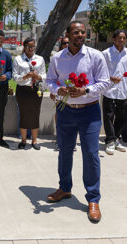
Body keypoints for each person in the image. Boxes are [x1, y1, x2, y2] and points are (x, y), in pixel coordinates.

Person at [46, 21, 111, 223]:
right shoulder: (57, 58)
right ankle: (65, 188)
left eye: (83, 32)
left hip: (89, 112)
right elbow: (49, 81)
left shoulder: (95, 56)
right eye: (76, 32)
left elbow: (106, 82)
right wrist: (58, 90)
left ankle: (93, 199)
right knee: (64, 151)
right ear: (67, 35)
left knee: (91, 154)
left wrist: (86, 90)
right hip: (65, 111)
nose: (80, 35)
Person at [13, 37, 46, 150]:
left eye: (33, 46)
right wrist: (25, 76)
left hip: (36, 89)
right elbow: (15, 77)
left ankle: (34, 140)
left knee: (35, 114)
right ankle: (23, 140)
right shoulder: (18, 59)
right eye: (28, 46)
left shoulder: (40, 59)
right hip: (23, 89)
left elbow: (44, 75)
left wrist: (39, 77)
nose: (31, 48)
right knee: (23, 114)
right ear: (24, 47)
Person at [102, 29, 127, 155]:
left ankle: (116, 139)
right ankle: (110, 141)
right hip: (109, 90)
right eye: (119, 38)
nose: (121, 40)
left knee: (122, 117)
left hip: (123, 91)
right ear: (114, 39)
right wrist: (111, 78)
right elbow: (100, 71)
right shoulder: (106, 53)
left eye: (123, 38)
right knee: (108, 116)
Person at [50, 36, 70, 151]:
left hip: (73, 92)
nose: (66, 45)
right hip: (60, 91)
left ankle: (69, 140)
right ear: (61, 45)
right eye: (64, 43)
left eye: (68, 43)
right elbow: (52, 77)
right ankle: (59, 139)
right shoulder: (57, 58)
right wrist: (54, 90)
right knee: (60, 115)